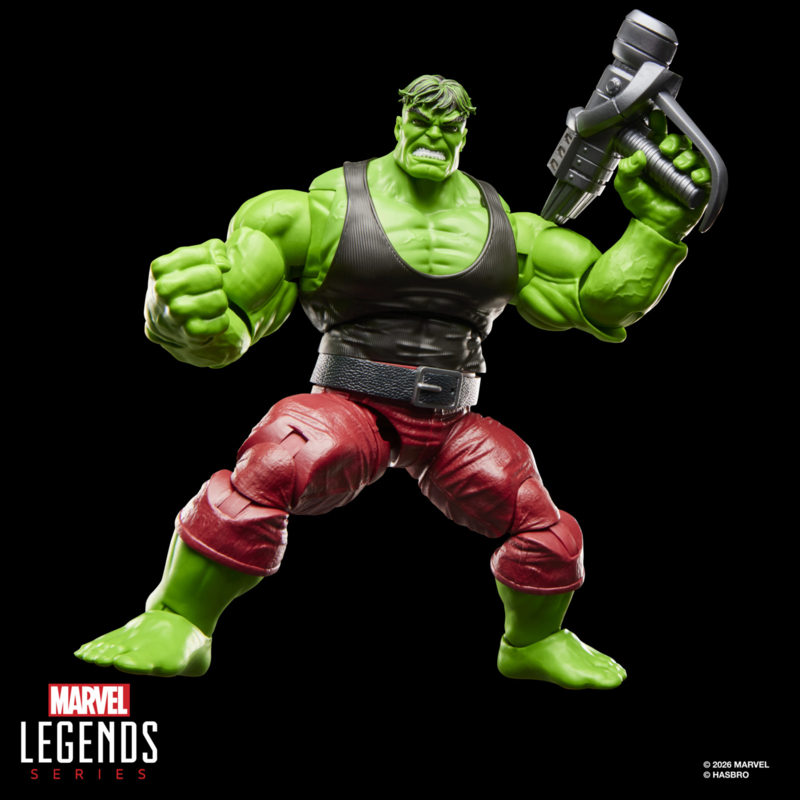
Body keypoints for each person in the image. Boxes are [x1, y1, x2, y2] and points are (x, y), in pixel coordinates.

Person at [75, 75, 709, 689]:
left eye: (449, 126)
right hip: (353, 404)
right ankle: (179, 620)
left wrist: (655, 230)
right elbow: (235, 318)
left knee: (542, 523)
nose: (434, 134)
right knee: (277, 462)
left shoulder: (509, 229)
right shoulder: (318, 209)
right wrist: (183, 320)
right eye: (422, 120)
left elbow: (597, 299)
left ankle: (533, 643)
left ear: (465, 134)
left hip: (451, 422)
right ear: (400, 121)